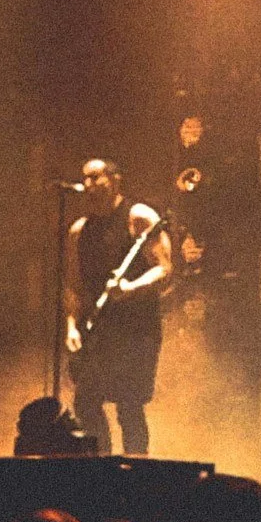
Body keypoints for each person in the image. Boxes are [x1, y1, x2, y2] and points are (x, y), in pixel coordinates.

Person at [62, 159, 171, 456]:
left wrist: (130, 289)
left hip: (136, 329)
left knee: (129, 406)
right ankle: (102, 465)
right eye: (85, 178)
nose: (90, 185)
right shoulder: (79, 230)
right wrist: (72, 324)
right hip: (96, 330)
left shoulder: (137, 217)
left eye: (97, 178)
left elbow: (164, 269)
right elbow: (74, 285)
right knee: (86, 403)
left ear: (115, 180)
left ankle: (136, 469)